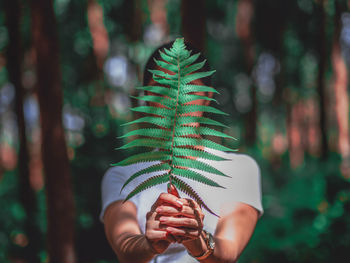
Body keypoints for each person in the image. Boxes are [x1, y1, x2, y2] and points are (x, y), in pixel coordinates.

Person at [100, 41, 263, 263]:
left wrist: (199, 241)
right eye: (162, 88)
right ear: (147, 98)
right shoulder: (121, 177)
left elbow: (228, 252)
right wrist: (149, 245)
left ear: (206, 97)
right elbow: (125, 249)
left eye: (188, 87)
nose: (176, 100)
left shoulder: (240, 170)